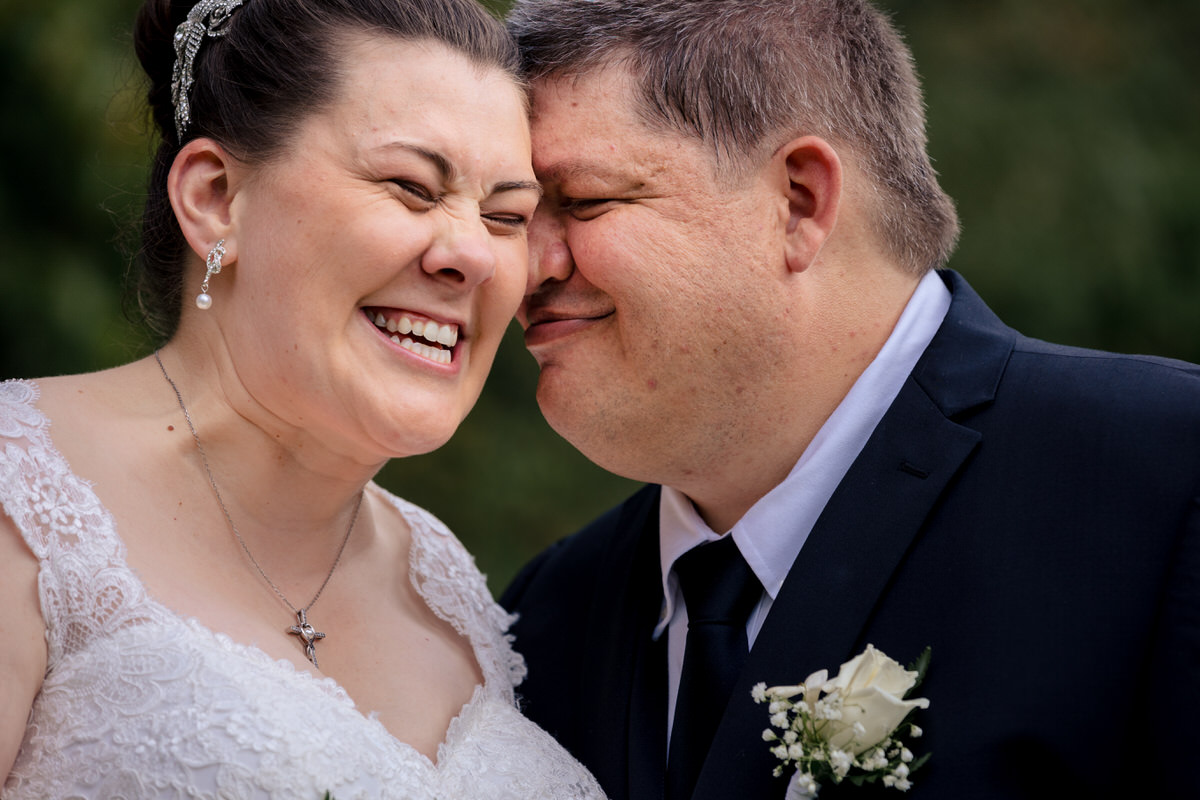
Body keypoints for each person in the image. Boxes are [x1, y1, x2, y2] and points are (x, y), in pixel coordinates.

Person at [498, 1, 1200, 798]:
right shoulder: (545, 616)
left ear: (798, 201)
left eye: (583, 201)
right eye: (509, 216)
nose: (523, 268)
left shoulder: (1167, 481)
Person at [0, 1, 608, 797]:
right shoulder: (21, 501)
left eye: (505, 217)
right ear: (216, 197)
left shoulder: (456, 595)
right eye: (411, 187)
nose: (474, 257)